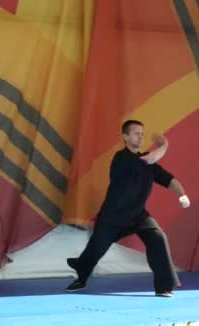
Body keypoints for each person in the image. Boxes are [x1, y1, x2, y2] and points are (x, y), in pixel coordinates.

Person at [65, 120, 191, 297]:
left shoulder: (149, 164)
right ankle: (81, 275)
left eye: (142, 133)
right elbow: (151, 158)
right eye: (136, 133)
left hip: (139, 216)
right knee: (94, 251)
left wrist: (182, 194)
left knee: (158, 238)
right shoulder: (121, 158)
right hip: (112, 217)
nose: (141, 136)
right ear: (125, 137)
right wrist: (165, 144)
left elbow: (170, 180)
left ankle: (164, 286)